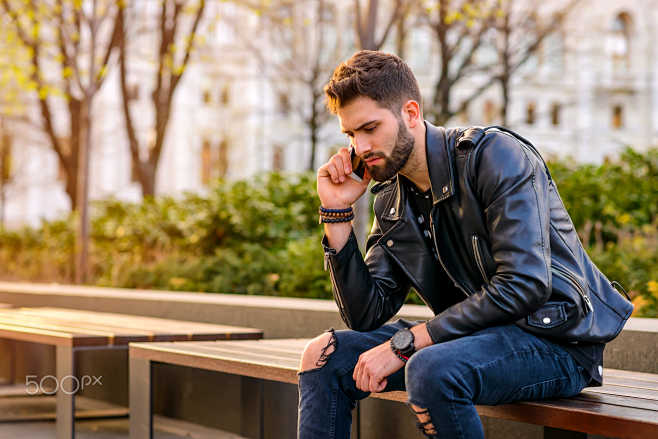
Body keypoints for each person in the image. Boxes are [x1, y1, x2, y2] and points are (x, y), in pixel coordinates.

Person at [297, 50, 633, 439]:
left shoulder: (494, 156)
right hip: (469, 341)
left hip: (557, 342)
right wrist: (336, 213)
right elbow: (366, 315)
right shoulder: (391, 198)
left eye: (370, 128)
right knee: (322, 356)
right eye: (352, 134)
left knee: (429, 367)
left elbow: (525, 284)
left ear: (410, 113)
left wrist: (408, 342)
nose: (361, 147)